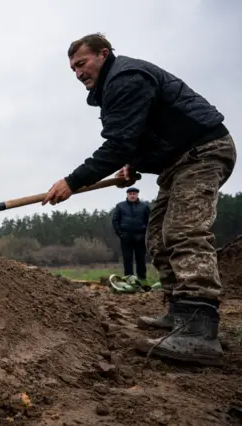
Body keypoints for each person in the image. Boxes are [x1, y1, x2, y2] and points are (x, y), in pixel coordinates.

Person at [42, 33, 237, 366]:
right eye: (72, 69)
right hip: (177, 162)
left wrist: (73, 181)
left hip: (202, 152)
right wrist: (135, 164)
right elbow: (140, 136)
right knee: (158, 237)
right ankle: (179, 314)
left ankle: (199, 332)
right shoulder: (113, 87)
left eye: (82, 63)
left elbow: (119, 143)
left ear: (103, 54)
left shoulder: (125, 79)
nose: (78, 73)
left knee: (183, 232)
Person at [111, 187, 150, 281]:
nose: (132, 195)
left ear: (137, 195)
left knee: (140, 259)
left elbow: (149, 221)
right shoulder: (120, 206)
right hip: (125, 237)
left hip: (140, 237)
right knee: (127, 259)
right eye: (130, 194)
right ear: (127, 195)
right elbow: (115, 220)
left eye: (134, 194)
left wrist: (146, 234)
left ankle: (142, 279)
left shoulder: (144, 206)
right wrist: (120, 234)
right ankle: (129, 279)